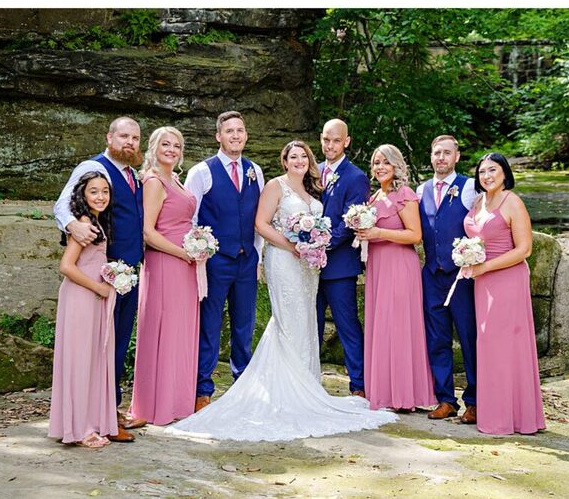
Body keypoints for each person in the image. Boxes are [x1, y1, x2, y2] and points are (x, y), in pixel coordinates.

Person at [166, 141, 397, 441]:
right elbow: (260, 224)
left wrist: (314, 244)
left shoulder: (312, 191)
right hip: (284, 261)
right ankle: (281, 391)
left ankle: (307, 387)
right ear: (284, 161)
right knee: (287, 321)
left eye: (304, 156)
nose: (299, 160)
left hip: (307, 266)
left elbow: (319, 226)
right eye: (293, 157)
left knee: (304, 323)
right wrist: (293, 246)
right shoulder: (275, 186)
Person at [53, 117, 147, 442]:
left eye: (135, 137)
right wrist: (72, 227)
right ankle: (104, 416)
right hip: (104, 273)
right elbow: (62, 204)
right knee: (102, 347)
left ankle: (108, 410)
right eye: (123, 136)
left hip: (129, 272)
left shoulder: (133, 175)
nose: (129, 142)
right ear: (109, 137)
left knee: (117, 345)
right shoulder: (93, 167)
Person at [183, 111, 265, 413]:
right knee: (210, 325)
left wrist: (257, 255)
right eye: (229, 131)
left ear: (245, 135)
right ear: (218, 136)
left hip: (246, 260)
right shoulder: (202, 172)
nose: (235, 136)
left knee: (244, 326)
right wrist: (199, 256)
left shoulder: (255, 170)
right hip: (215, 262)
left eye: (240, 130)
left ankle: (242, 383)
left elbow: (258, 219)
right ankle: (202, 388)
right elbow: (189, 218)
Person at [461, 153, 546, 435]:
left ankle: (517, 417)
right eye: (482, 171)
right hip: (482, 282)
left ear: (504, 173)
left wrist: (484, 266)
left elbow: (524, 250)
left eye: (492, 170)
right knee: (488, 347)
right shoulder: (477, 202)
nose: (486, 176)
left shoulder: (513, 202)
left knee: (506, 347)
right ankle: (495, 414)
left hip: (507, 279)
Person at [355, 145, 436, 412]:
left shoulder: (405, 195)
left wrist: (378, 233)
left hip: (400, 266)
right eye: (376, 162)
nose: (379, 167)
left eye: (385, 163)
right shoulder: (374, 196)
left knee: (399, 326)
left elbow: (415, 235)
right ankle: (384, 392)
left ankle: (404, 394)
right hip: (378, 266)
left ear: (396, 166)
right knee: (382, 326)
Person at [127, 127, 199, 425]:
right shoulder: (155, 182)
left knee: (180, 332)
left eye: (177, 145)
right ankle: (154, 406)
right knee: (163, 329)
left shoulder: (176, 180)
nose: (172, 149)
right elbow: (147, 232)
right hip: (165, 264)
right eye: (166, 144)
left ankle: (178, 402)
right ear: (154, 147)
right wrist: (182, 253)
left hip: (185, 264)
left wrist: (196, 244)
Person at [48, 171, 118, 448]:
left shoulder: (98, 221)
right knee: (80, 360)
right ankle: (79, 429)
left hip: (93, 297)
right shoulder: (85, 222)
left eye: (105, 191)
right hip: (81, 296)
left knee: (91, 360)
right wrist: (99, 287)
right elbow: (66, 266)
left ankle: (87, 422)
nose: (100, 196)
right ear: (83, 195)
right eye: (94, 191)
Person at [416, 135, 478, 424]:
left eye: (447, 153)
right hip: (432, 275)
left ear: (457, 157)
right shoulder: (421, 189)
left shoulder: (469, 188)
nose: (441, 158)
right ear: (431, 157)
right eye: (436, 153)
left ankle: (475, 401)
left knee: (468, 337)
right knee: (437, 339)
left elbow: (485, 223)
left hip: (462, 277)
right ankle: (445, 400)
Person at [316, 119, 369, 397]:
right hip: (310, 267)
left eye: (336, 140)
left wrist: (320, 244)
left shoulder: (356, 176)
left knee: (347, 325)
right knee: (310, 325)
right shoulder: (314, 171)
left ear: (346, 142)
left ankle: (358, 385)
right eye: (326, 139)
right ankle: (309, 383)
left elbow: (351, 221)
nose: (330, 145)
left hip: (339, 266)